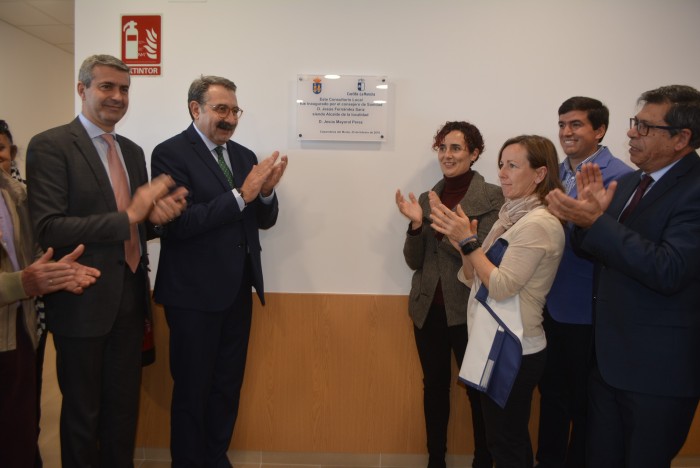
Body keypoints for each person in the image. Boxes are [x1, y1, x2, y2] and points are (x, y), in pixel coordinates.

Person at [26, 54, 187, 468]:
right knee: (84, 416)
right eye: (106, 87)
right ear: (82, 90)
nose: (118, 97)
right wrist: (130, 217)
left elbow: (132, 226)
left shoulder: (132, 151)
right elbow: (49, 227)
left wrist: (153, 220)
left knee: (123, 413)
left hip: (130, 302)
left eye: (125, 89)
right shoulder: (51, 145)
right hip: (81, 302)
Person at [546, 85, 700, 467]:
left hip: (657, 373)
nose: (631, 133)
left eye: (646, 127)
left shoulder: (695, 191)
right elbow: (593, 250)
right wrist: (584, 224)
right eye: (635, 123)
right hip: (607, 362)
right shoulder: (629, 183)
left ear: (682, 138)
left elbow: (669, 269)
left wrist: (596, 223)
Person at [151, 75, 288, 466]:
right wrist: (241, 196)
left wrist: (265, 194)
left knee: (227, 388)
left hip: (237, 293)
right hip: (192, 297)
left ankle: (215, 458)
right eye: (221, 109)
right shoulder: (170, 154)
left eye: (234, 110)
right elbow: (180, 223)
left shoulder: (244, 156)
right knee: (193, 391)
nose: (229, 118)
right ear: (196, 109)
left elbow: (262, 220)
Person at [431, 135, 565, 467]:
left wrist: (469, 242)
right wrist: (462, 243)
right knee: (506, 437)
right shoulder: (511, 216)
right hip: (495, 339)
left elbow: (502, 286)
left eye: (513, 166)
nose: (502, 173)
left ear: (539, 174)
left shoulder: (539, 224)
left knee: (505, 440)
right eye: (501, 165)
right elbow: (475, 275)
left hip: (515, 346)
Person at [395, 121, 502, 468]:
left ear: (474, 154)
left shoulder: (493, 198)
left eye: (456, 148)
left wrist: (449, 234)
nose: (447, 155)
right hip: (429, 310)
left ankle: (483, 460)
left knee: (477, 391)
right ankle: (435, 459)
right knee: (435, 388)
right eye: (442, 148)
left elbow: (483, 257)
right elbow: (415, 262)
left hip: (471, 310)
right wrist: (415, 226)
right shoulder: (428, 199)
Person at [536, 97, 631, 468]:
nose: (565, 132)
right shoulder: (555, 173)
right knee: (551, 396)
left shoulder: (619, 176)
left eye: (575, 125)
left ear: (600, 130)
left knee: (583, 404)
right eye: (561, 124)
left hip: (586, 311)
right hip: (548, 306)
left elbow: (613, 247)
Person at [1, 120, 101, 467]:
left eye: (2, 149)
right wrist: (21, 284)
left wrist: (58, 273)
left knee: (22, 428)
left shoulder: (17, 195)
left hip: (23, 327)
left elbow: (38, 250)